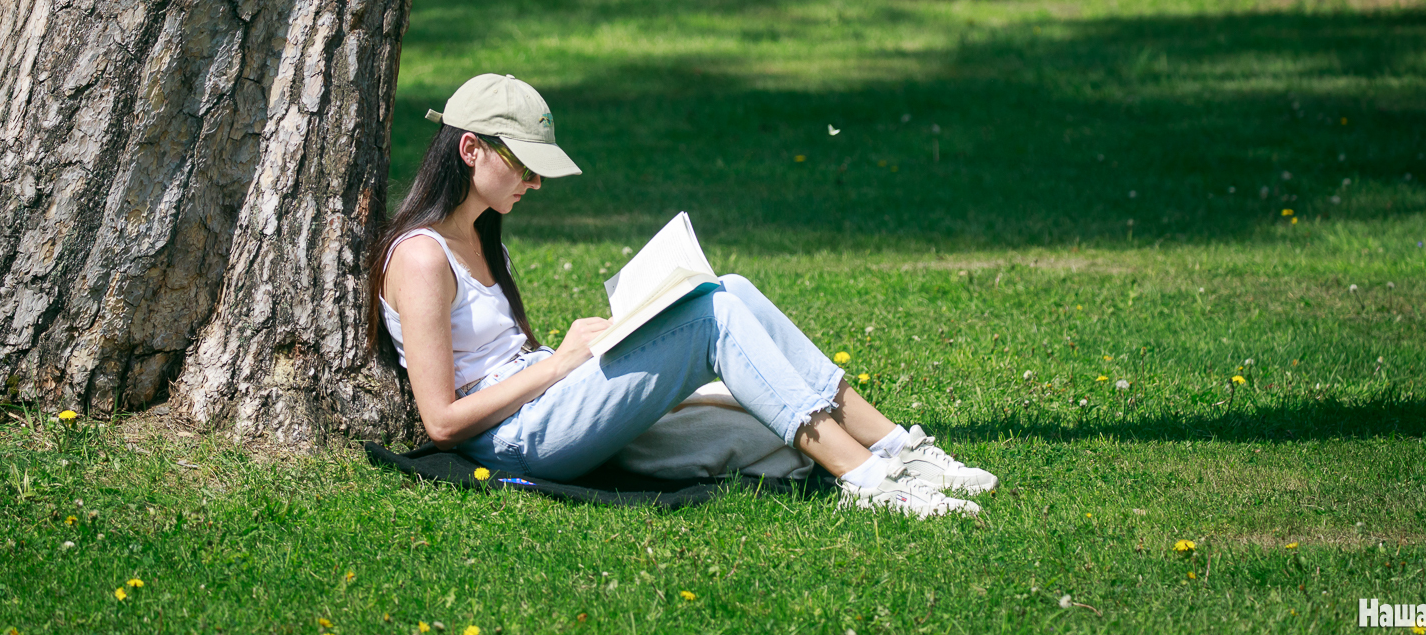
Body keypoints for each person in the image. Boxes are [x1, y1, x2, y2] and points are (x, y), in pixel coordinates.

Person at [368, 73, 1000, 518]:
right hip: (517, 435)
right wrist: (563, 364)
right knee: (713, 317)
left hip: (547, 397)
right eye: (526, 166)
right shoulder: (424, 256)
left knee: (732, 291)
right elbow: (442, 422)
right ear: (470, 149)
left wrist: (578, 357)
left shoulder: (481, 239)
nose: (535, 182)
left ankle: (897, 448)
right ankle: (868, 479)